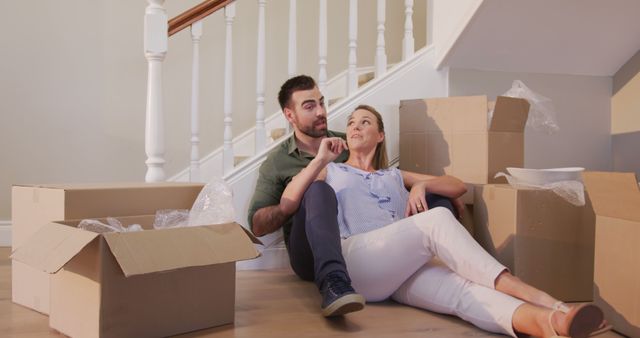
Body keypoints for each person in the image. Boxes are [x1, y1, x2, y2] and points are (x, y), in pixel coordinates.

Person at [277, 104, 607, 337]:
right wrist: (320, 159)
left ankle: (549, 323)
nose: (354, 127)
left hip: (397, 269)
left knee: (461, 294)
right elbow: (289, 199)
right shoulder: (332, 170)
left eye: (364, 122)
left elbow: (458, 186)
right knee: (435, 220)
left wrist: (421, 184)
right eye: (350, 122)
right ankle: (539, 296)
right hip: (357, 260)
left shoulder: (394, 174)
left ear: (380, 135)